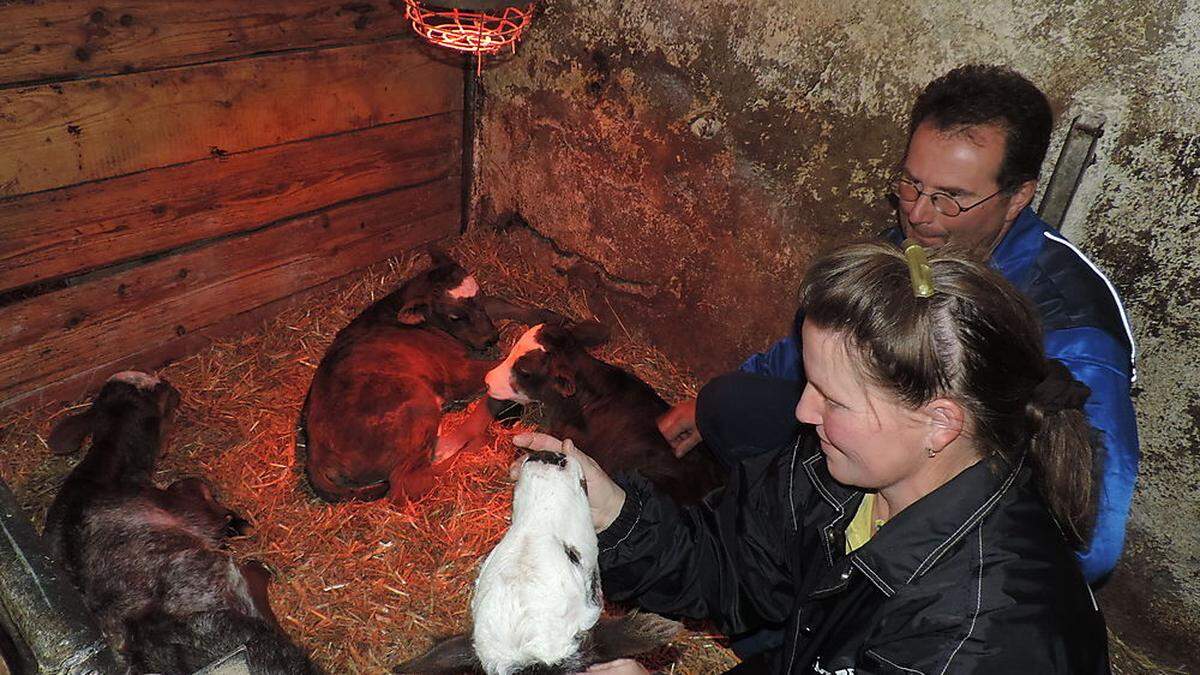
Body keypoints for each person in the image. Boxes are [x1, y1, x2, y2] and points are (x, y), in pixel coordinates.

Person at [517, 241, 1112, 674]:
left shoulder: (979, 637)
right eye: (809, 381)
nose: (803, 411)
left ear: (939, 423)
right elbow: (728, 563)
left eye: (833, 398)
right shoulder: (836, 474)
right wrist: (613, 514)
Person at [658, 64, 1138, 585]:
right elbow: (820, 342)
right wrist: (708, 400)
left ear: (1017, 197)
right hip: (874, 458)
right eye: (911, 184)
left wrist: (939, 577)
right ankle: (796, 556)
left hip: (955, 524)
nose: (919, 215)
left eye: (950, 197)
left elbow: (1092, 541)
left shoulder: (1072, 326)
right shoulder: (911, 249)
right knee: (731, 404)